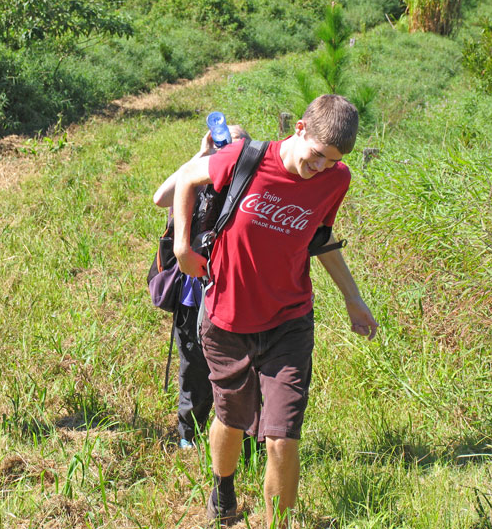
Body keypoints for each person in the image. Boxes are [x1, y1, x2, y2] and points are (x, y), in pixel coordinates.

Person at [172, 95, 378, 526]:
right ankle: (223, 488)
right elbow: (187, 180)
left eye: (332, 161)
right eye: (317, 155)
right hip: (228, 317)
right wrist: (182, 247)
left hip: (290, 320)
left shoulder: (336, 180)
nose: (321, 167)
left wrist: (352, 298)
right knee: (231, 419)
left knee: (282, 439)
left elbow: (319, 236)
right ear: (299, 129)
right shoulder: (245, 158)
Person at [153, 126, 251, 451]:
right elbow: (160, 198)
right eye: (224, 147)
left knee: (236, 365)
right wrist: (201, 156)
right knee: (194, 363)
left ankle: (239, 435)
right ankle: (189, 433)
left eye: (238, 148)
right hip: (194, 293)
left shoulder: (251, 187)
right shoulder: (199, 182)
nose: (230, 156)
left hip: (236, 294)